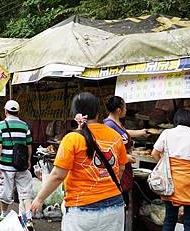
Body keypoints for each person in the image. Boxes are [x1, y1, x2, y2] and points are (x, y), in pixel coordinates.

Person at [31, 92, 128, 231]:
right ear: (98, 112)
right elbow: (122, 168)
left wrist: (39, 199)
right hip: (115, 207)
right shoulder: (115, 136)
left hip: (82, 210)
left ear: (76, 114)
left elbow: (58, 175)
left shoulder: (72, 138)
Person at [152, 109, 190, 231]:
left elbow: (154, 154)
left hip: (170, 183)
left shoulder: (166, 133)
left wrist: (166, 166)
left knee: (170, 218)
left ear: (176, 120)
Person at [0, 100, 34, 229]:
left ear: (5, 111)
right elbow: (29, 145)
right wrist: (28, 160)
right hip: (21, 165)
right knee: (25, 193)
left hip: (6, 166)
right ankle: (28, 218)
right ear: (18, 111)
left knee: (5, 192)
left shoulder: (0, 126)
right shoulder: (25, 126)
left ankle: (4, 214)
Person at [104, 95, 149, 198]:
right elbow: (107, 149)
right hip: (117, 167)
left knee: (124, 194)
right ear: (119, 110)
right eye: (125, 107)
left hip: (124, 166)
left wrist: (140, 132)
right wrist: (124, 157)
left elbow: (124, 133)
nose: (126, 109)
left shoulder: (117, 123)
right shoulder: (108, 125)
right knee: (119, 194)